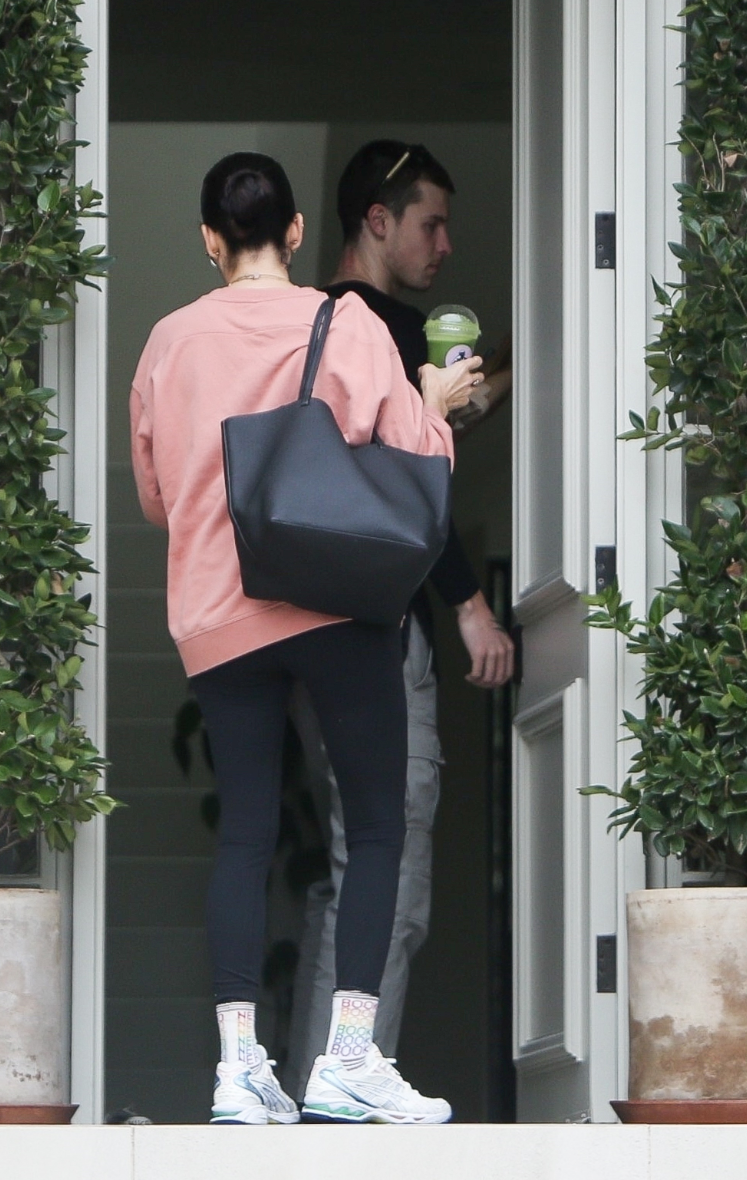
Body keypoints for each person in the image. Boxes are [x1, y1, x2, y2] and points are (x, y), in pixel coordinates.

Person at [129, 152, 484, 1125]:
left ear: (209, 240)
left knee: (244, 831)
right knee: (374, 826)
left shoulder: (167, 342)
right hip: (334, 602)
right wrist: (437, 403)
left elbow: (156, 497)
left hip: (220, 610)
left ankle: (237, 1068)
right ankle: (349, 1057)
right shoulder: (349, 323)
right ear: (294, 233)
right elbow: (412, 455)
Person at [284, 141, 515, 1101]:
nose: (445, 245)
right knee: (394, 879)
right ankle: (345, 1100)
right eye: (431, 223)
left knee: (348, 872)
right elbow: (413, 486)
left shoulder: (304, 329)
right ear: (377, 221)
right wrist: (470, 605)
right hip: (376, 632)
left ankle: (314, 1099)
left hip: (298, 630)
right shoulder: (389, 332)